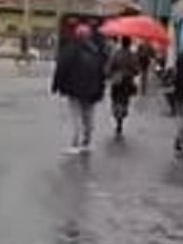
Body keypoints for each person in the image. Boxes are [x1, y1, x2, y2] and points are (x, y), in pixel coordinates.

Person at [52, 23, 107, 153]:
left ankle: (75, 143)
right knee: (88, 116)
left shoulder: (71, 49)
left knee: (76, 116)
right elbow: (101, 73)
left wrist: (56, 85)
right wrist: (100, 90)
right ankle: (87, 141)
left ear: (77, 35)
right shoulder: (96, 51)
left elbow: (62, 68)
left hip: (74, 89)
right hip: (92, 90)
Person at [105, 36, 140, 138]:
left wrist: (109, 75)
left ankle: (117, 115)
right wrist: (131, 72)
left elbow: (108, 67)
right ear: (129, 44)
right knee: (125, 100)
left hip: (116, 81)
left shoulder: (115, 54)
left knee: (115, 99)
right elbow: (137, 70)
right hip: (127, 82)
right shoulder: (132, 55)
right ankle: (121, 117)